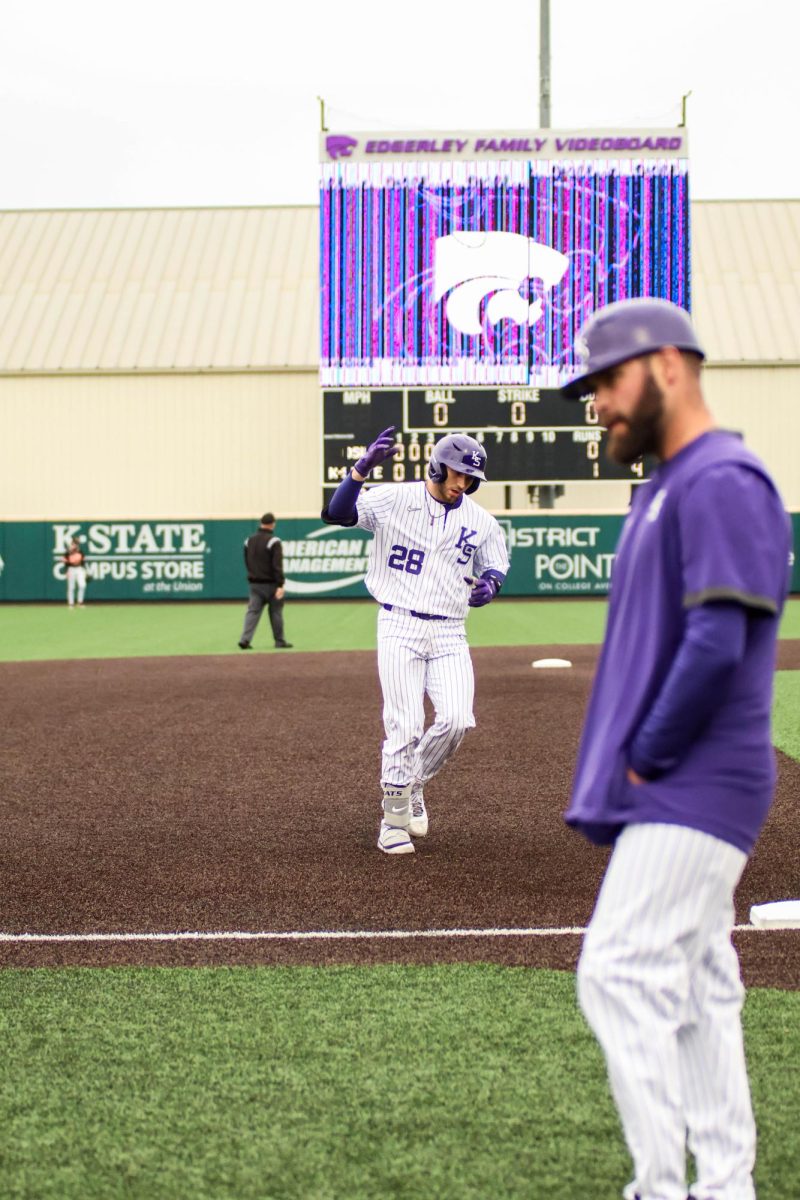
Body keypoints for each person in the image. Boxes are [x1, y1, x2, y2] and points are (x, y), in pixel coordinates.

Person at [561, 298, 792, 1200]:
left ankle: (660, 1189)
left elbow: (716, 641)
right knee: (699, 990)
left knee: (617, 974)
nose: (597, 405)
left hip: (696, 780)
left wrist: (643, 760)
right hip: (683, 782)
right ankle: (725, 1183)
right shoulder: (666, 486)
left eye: (608, 382)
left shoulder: (722, 477)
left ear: (667, 365)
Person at [323, 429, 510, 854]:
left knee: (458, 719)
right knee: (405, 724)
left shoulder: (481, 521)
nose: (462, 483)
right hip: (399, 624)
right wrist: (359, 471)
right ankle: (392, 822)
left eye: (470, 478)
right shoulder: (395, 499)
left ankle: (412, 784)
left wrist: (491, 587)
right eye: (456, 473)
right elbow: (337, 514)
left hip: (450, 631)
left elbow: (496, 563)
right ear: (437, 466)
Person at [238, 513, 292, 650]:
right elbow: (277, 565)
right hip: (271, 584)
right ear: (273, 524)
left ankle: (245, 640)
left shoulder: (248, 541)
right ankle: (279, 641)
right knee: (276, 612)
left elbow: (246, 561)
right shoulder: (274, 541)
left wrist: (252, 575)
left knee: (252, 612)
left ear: (260, 523)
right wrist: (280, 584)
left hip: (255, 584)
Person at [62, 536, 88, 607]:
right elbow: (65, 561)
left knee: (82, 585)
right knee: (71, 587)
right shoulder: (68, 552)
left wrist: (85, 571)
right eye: (74, 543)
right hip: (71, 569)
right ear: (72, 543)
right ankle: (71, 603)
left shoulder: (80, 552)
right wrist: (66, 571)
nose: (75, 544)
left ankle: (80, 602)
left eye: (77, 543)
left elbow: (83, 562)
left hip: (79, 569)